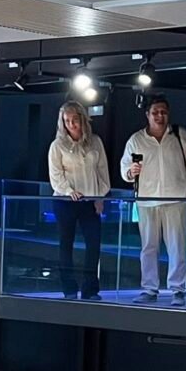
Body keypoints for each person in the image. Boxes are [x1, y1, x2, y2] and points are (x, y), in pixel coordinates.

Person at [122, 94, 186, 306]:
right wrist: (130, 172)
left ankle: (178, 290)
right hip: (147, 200)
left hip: (176, 199)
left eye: (163, 112)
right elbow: (125, 169)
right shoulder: (136, 140)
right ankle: (149, 289)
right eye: (155, 112)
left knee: (177, 247)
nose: (160, 116)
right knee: (148, 247)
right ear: (147, 115)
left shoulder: (179, 134)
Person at [47, 100, 111, 300]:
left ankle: (90, 289)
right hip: (65, 202)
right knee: (66, 244)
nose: (71, 124)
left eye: (74, 119)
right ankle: (69, 289)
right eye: (67, 121)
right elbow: (56, 176)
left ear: (82, 119)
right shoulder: (57, 146)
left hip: (90, 201)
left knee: (93, 244)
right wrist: (69, 191)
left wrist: (100, 197)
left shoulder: (95, 142)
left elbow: (103, 172)